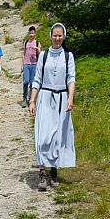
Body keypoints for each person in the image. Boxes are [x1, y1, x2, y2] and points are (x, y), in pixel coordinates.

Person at [27, 22, 76, 191]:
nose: (57, 38)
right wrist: (32, 100)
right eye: (54, 35)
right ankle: (42, 171)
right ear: (50, 36)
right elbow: (37, 79)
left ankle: (53, 170)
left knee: (57, 137)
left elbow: (71, 78)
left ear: (63, 36)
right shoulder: (44, 56)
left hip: (61, 98)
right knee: (43, 136)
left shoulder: (68, 56)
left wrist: (70, 98)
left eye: (60, 35)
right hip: (45, 98)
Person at [21, 26, 41, 108]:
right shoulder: (26, 43)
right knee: (25, 81)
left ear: (35, 33)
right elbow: (23, 54)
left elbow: (40, 54)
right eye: (30, 33)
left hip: (34, 64)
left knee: (32, 83)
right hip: (26, 64)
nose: (31, 35)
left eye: (33, 33)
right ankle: (24, 98)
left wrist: (37, 49)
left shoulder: (37, 43)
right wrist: (22, 65)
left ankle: (30, 99)